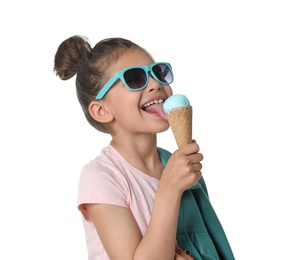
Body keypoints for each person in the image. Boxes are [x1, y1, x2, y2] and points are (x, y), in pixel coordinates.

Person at [53, 35, 234, 260]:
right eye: (135, 78)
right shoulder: (101, 177)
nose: (156, 84)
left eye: (158, 72)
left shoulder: (178, 165)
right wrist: (169, 190)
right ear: (102, 110)